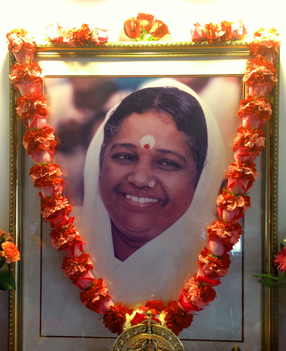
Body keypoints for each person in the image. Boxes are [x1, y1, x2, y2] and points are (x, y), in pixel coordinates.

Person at [77, 79, 227, 303]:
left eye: (167, 163)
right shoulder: (59, 244)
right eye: (125, 157)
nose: (139, 179)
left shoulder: (219, 269)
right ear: (99, 163)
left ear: (201, 180)